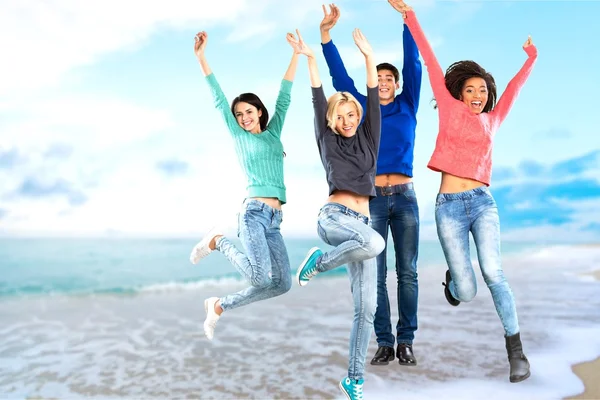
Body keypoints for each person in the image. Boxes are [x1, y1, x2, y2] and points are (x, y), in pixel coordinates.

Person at [388, 0, 537, 383]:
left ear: (489, 94)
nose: (477, 94)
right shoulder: (450, 109)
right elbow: (429, 55)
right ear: (459, 92)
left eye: (482, 90)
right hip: (449, 208)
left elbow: (517, 90)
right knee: (467, 290)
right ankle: (453, 285)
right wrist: (410, 15)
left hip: (483, 204)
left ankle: (516, 353)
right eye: (470, 89)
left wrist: (530, 57)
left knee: (494, 273)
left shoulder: (494, 119)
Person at [319, 3, 422, 366]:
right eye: (377, 78)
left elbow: (415, 62)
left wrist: (407, 18)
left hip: (406, 198)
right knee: (375, 273)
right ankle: (384, 342)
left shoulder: (409, 103)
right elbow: (339, 79)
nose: (383, 82)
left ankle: (406, 341)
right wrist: (326, 37)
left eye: (388, 78)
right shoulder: (363, 109)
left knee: (407, 272)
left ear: (396, 83)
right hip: (373, 199)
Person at [288, 27, 385, 400]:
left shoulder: (369, 136)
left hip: (360, 228)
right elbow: (316, 97)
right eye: (339, 115)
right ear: (331, 119)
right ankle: (319, 261)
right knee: (375, 242)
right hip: (333, 220)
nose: (347, 120)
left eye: (351, 113)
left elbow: (374, 94)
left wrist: (368, 56)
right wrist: (311, 58)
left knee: (367, 309)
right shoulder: (325, 138)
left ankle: (353, 380)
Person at [189, 31, 298, 341]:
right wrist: (201, 58)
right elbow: (218, 98)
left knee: (281, 284)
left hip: (275, 220)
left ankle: (220, 306)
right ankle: (219, 240)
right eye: (239, 115)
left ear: (259, 112)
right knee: (257, 276)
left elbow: (285, 95)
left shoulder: (273, 133)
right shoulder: (239, 137)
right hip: (253, 213)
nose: (243, 117)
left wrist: (296, 55)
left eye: (249, 112)